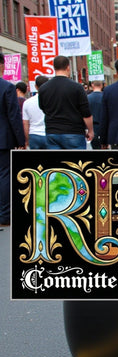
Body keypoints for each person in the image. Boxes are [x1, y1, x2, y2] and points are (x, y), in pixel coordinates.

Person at [38, 55, 94, 149]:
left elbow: (42, 107)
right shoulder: (77, 87)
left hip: (52, 132)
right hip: (74, 131)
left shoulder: (43, 88)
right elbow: (86, 113)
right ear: (68, 67)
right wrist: (90, 131)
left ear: (54, 67)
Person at [0, 52, 25, 227]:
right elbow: (13, 116)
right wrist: (20, 141)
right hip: (2, 139)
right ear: (1, 65)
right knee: (4, 175)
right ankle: (4, 215)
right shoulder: (7, 87)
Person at [22, 75, 49, 149]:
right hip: (48, 134)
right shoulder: (52, 101)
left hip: (33, 135)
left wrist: (27, 139)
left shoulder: (27, 102)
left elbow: (25, 123)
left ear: (36, 86)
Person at [87, 80, 103, 149]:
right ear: (101, 85)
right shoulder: (106, 97)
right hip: (105, 126)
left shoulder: (87, 98)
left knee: (95, 147)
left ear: (92, 85)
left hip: (93, 126)